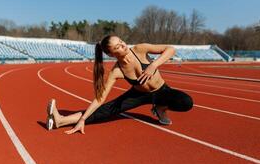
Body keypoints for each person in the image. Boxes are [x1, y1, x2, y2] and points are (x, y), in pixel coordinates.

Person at [46, 35, 193, 134]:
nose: (123, 45)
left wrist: (153, 66)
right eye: (118, 47)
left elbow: (171, 49)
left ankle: (160, 107)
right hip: (138, 95)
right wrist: (83, 120)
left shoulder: (140, 49)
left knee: (186, 102)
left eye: (121, 42)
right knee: (105, 110)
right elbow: (100, 99)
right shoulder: (117, 71)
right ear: (112, 54)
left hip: (161, 90)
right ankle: (60, 121)